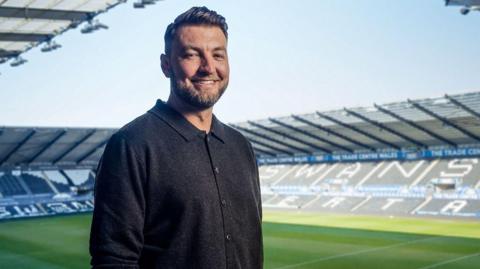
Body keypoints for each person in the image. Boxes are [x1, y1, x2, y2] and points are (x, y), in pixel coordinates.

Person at [89, 6, 263, 269]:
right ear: (166, 64)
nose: (208, 67)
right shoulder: (131, 145)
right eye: (192, 55)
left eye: (218, 55)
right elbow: (114, 260)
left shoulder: (241, 147)